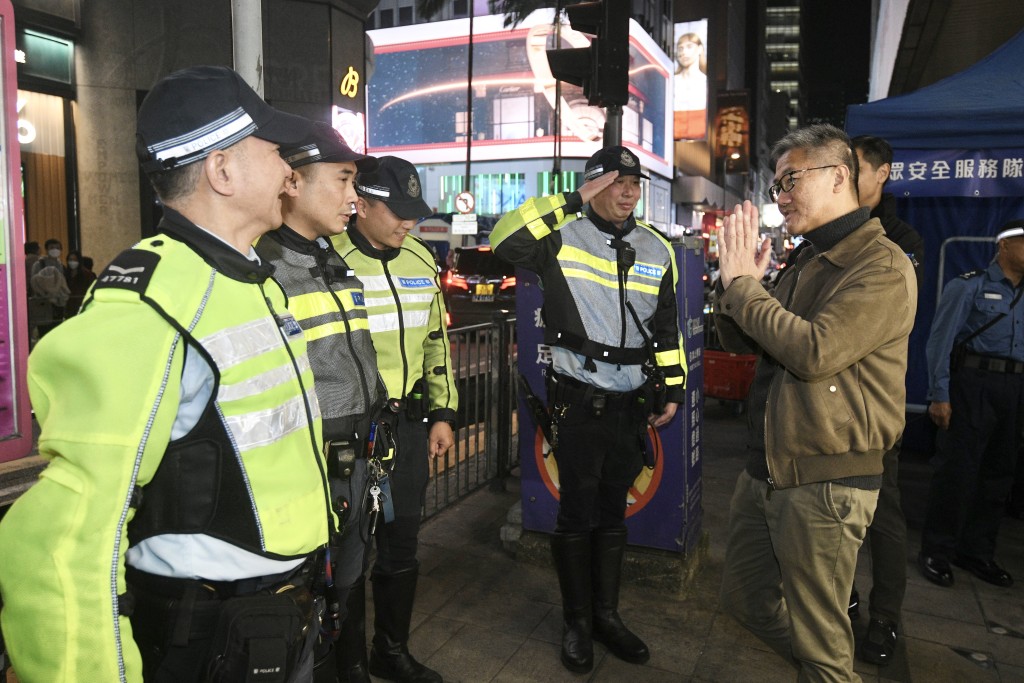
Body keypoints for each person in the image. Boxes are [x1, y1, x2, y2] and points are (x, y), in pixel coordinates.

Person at [0, 65, 335, 683]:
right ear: (222, 170)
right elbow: (67, 541)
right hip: (207, 636)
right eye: (274, 151)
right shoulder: (150, 304)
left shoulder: (249, 279)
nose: (291, 169)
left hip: (281, 614)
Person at [715, 124, 916, 682]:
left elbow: (814, 351)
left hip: (827, 479)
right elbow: (745, 341)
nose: (780, 196)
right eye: (776, 185)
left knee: (823, 646)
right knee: (744, 601)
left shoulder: (882, 265)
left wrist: (744, 291)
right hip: (769, 468)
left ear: (838, 175)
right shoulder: (808, 258)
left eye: (790, 180)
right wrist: (735, 289)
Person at [491, 145, 687, 674]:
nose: (627, 192)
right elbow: (503, 239)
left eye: (634, 183)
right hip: (579, 403)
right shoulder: (559, 236)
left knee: (612, 514)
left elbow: (666, 327)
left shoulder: (655, 248)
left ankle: (608, 616)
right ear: (593, 186)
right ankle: (576, 623)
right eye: (616, 182)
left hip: (631, 405)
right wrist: (572, 200)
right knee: (576, 515)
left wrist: (673, 386)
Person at [254, 121, 385, 681]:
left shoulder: (333, 257)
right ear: (292, 182)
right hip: (309, 470)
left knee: (351, 587)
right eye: (343, 180)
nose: (354, 198)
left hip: (359, 460)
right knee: (301, 599)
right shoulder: (262, 268)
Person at [333, 155, 457, 683]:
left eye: (414, 210)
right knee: (347, 553)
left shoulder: (420, 261)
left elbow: (437, 343)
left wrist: (443, 413)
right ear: (360, 202)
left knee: (401, 544)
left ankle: (390, 650)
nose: (407, 222)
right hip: (348, 430)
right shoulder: (329, 261)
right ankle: (348, 662)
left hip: (406, 428)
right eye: (396, 210)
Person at [847, 134, 925, 665]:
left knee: (883, 517)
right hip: (828, 408)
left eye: (854, 168)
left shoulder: (900, 241)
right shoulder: (828, 234)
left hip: (873, 404)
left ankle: (886, 618)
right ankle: (843, 599)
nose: (845, 178)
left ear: (882, 174)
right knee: (835, 513)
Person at [917, 218, 1024, 591]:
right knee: (958, 472)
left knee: (999, 474)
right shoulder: (970, 286)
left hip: (1014, 389)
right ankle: (937, 550)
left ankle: (977, 552)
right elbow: (940, 342)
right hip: (972, 385)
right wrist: (940, 394)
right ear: (1004, 246)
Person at [673, 31, 707, 140]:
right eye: (680, 48)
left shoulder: (705, 82)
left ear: (700, 49)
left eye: (689, 47)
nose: (683, 52)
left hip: (700, 141)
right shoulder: (672, 81)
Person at [64, 249, 97, 316]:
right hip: (68, 308)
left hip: (82, 306)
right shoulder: (65, 274)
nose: (72, 262)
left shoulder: (87, 274)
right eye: (70, 260)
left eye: (75, 260)